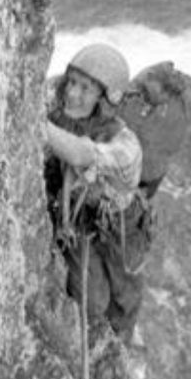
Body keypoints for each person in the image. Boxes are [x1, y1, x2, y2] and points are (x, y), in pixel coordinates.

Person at [44, 42, 152, 345]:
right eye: (72, 83)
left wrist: (38, 126)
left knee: (125, 297)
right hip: (81, 222)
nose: (72, 94)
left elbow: (81, 156)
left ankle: (122, 344)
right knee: (91, 303)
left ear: (105, 100)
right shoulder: (62, 110)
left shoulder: (125, 146)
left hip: (121, 226)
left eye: (86, 89)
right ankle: (97, 341)